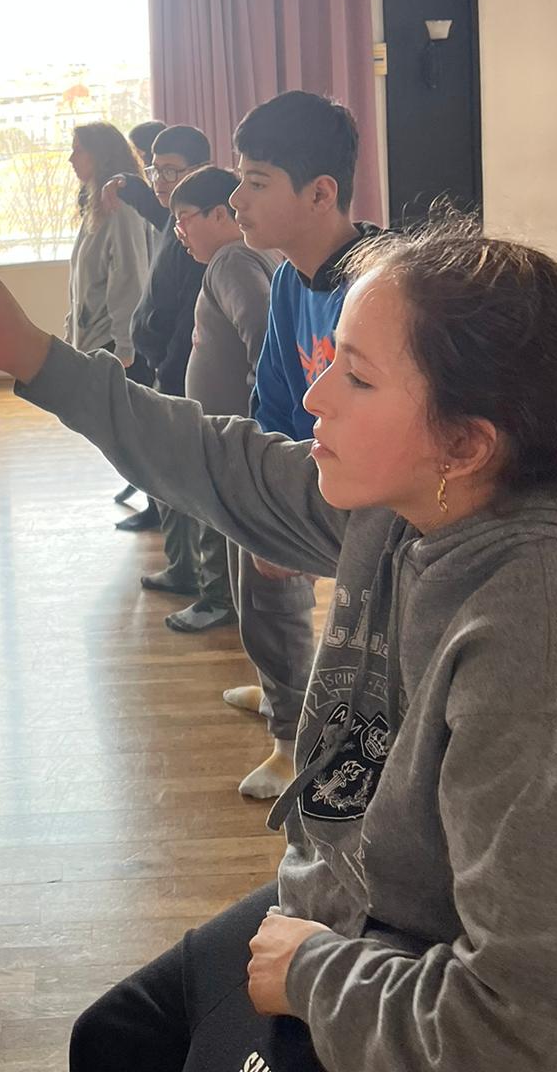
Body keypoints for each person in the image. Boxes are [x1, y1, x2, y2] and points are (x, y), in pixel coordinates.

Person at [0, 219, 557, 1072]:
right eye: (332, 359)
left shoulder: (547, 657)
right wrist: (33, 355)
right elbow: (223, 465)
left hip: (408, 979)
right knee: (112, 1037)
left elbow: (546, 1034)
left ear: (465, 442)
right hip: (345, 902)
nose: (315, 398)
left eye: (357, 377)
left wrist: (313, 972)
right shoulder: (421, 494)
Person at [225, 91, 380, 797]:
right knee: (250, 545)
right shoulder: (290, 277)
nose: (236, 199)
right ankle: (288, 714)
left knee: (367, 643)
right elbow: (277, 397)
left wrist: (301, 515)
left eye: (257, 182)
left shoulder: (381, 284)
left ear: (320, 193)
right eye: (241, 178)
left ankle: (315, 745)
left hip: (378, 500)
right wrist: (270, 504)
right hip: (319, 475)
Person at [168, 165, 278, 633]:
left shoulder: (231, 260)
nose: (179, 231)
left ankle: (219, 601)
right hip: (231, 426)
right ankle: (227, 599)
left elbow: (261, 328)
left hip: (233, 430)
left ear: (219, 214)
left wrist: (259, 405)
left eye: (184, 218)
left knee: (221, 516)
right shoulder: (248, 254)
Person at [114, 126, 212, 590]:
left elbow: (191, 315)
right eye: (155, 170)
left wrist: (168, 369)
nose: (160, 180)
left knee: (176, 475)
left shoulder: (200, 235)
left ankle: (191, 574)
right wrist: (132, 189)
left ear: (198, 170)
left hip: (176, 376)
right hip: (164, 368)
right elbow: (157, 212)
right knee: (166, 472)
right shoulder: (176, 217)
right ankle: (183, 568)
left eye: (171, 171)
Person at [113, 119, 167, 511]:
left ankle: (155, 501)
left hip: (161, 344)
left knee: (150, 423)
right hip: (150, 332)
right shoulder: (145, 202)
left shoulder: (164, 210)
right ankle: (143, 486)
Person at [65, 124, 150, 370]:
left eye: (78, 150)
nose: (71, 159)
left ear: (100, 154)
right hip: (92, 343)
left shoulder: (120, 208)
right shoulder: (95, 207)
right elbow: (82, 285)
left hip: (114, 349)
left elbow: (130, 279)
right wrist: (70, 333)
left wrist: (125, 348)